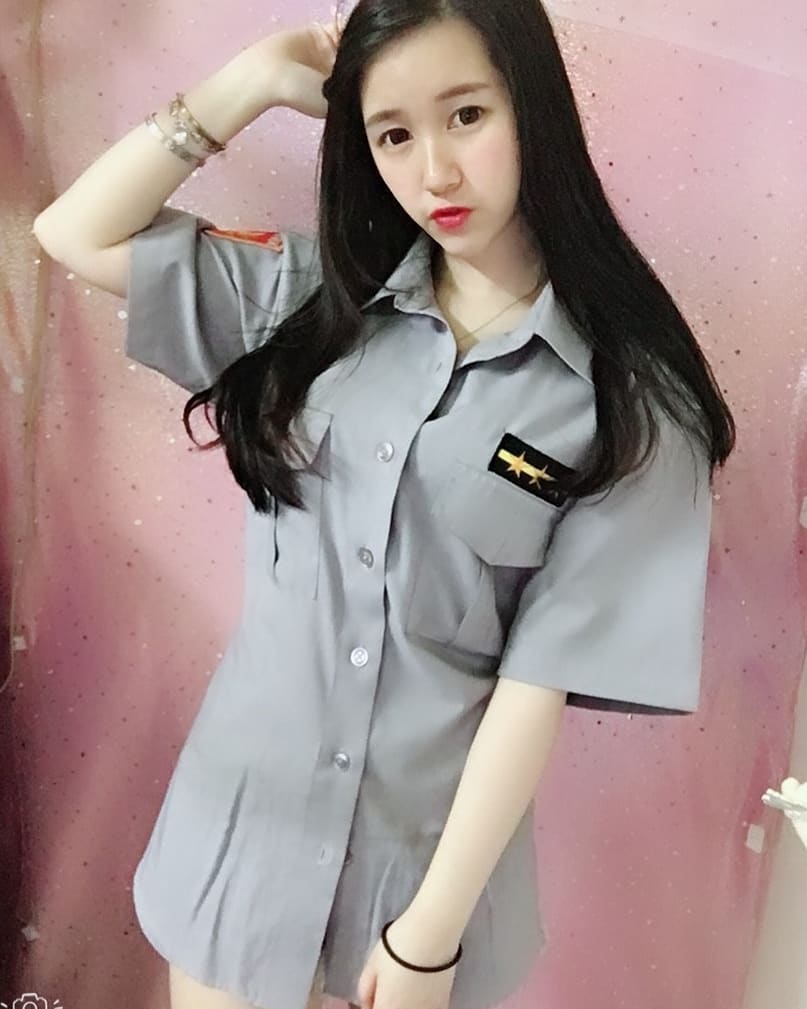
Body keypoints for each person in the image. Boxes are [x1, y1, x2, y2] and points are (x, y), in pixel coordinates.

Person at [32, 2, 736, 1009]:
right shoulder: (308, 308)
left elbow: (535, 686)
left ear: (533, 106)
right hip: (237, 852)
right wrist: (245, 86)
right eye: (393, 134)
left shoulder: (629, 403)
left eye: (466, 115)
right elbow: (72, 232)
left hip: (419, 887)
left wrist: (426, 939)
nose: (435, 172)